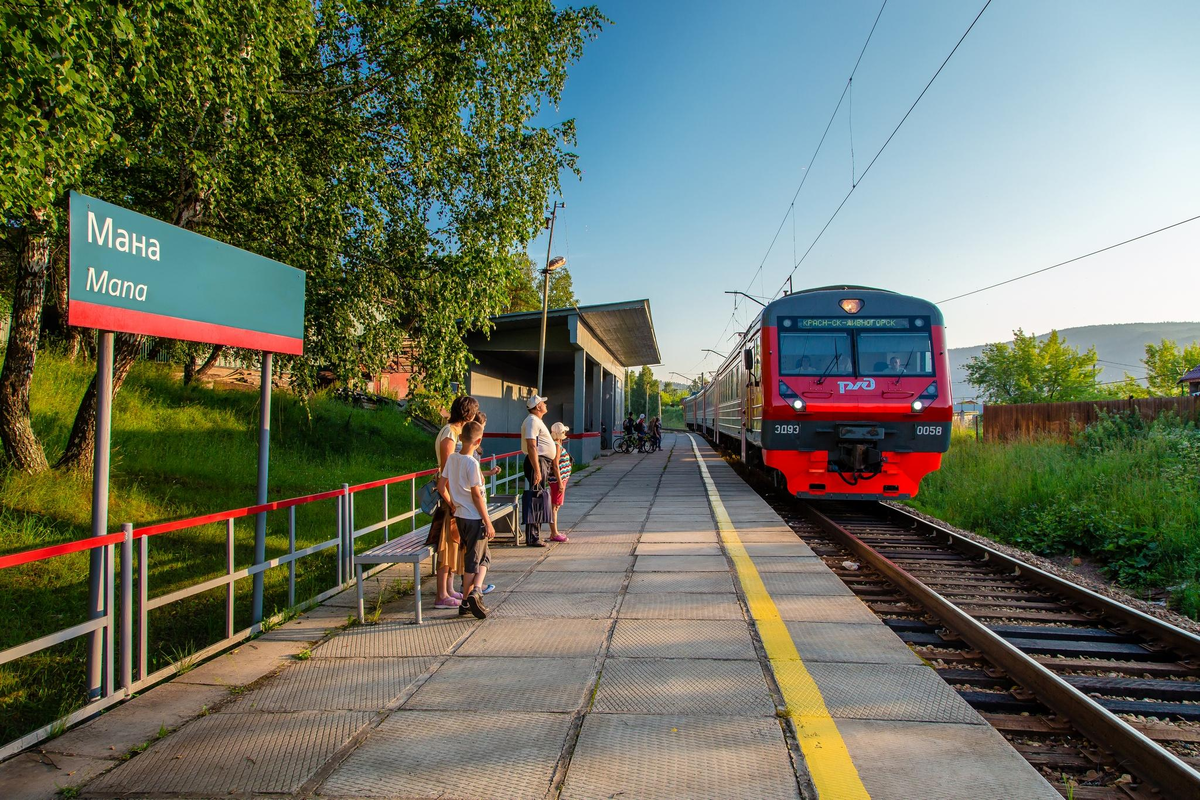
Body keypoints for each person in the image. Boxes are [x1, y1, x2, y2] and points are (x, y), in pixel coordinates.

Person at [437, 420, 494, 619]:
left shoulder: (452, 459)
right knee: (475, 560)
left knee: (480, 556)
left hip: (460, 516)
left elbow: (441, 484)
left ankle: (472, 594)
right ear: (478, 441)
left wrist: (452, 503)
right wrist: (488, 521)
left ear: (460, 438)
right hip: (475, 517)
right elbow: (477, 495)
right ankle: (470, 597)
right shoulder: (472, 463)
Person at [429, 396, 475, 609]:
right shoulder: (449, 434)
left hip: (456, 497)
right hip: (451, 499)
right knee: (447, 545)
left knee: (456, 544)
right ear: (468, 414)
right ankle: (441, 594)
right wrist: (452, 501)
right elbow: (446, 470)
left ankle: (449, 589)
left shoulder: (455, 432)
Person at [521, 394, 556, 546]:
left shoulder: (536, 421)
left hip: (541, 462)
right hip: (537, 461)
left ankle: (535, 535)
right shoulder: (532, 421)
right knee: (536, 498)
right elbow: (531, 446)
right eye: (543, 402)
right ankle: (532, 537)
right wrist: (537, 469)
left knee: (539, 498)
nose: (545, 404)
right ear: (537, 407)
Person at [548, 422, 573, 543]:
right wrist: (560, 483)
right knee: (554, 506)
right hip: (557, 481)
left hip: (559, 480)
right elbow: (555, 464)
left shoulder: (555, 444)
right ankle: (554, 533)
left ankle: (554, 532)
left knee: (555, 506)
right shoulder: (557, 445)